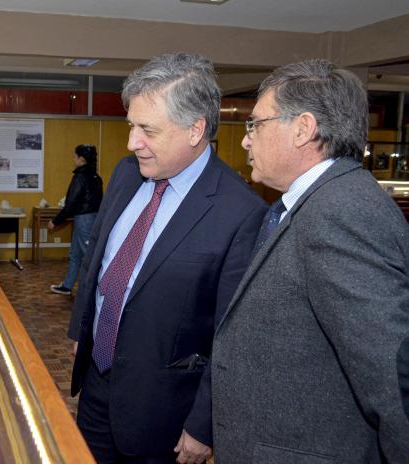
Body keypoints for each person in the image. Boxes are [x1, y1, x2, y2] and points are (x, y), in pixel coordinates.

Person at [68, 53, 267, 464]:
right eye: (131, 126)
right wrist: (80, 333)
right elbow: (96, 265)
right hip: (97, 384)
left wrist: (203, 424)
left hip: (164, 414)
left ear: (195, 130)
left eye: (147, 130)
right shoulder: (126, 174)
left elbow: (233, 340)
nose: (131, 142)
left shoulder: (240, 212)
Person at [211, 60, 409, 463]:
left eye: (255, 125)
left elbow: (390, 373)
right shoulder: (316, 202)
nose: (246, 141)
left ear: (303, 128)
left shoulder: (341, 211)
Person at [48, 144, 103, 296]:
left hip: (84, 220)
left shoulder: (80, 177)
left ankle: (96, 290)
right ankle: (67, 286)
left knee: (88, 256)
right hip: (92, 219)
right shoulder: (96, 177)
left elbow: (71, 203)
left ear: (81, 158)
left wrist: (56, 221)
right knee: (76, 254)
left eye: (75, 156)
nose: (73, 159)